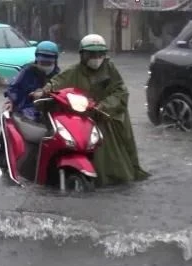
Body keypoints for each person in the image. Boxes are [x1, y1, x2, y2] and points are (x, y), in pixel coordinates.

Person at [33, 34, 149, 187]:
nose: (96, 58)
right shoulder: (74, 71)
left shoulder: (110, 69)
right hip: (85, 116)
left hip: (108, 117)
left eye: (100, 54)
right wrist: (43, 91)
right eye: (92, 54)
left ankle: (113, 181)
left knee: (111, 156)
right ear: (82, 55)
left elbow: (121, 92)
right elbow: (57, 82)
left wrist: (104, 105)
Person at [0, 41, 60, 168]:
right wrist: (12, 101)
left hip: (49, 110)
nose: (45, 65)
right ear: (37, 59)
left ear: (55, 60)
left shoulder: (59, 75)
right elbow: (13, 88)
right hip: (26, 107)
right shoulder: (27, 71)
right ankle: (2, 157)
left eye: (48, 63)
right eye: (43, 62)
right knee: (11, 122)